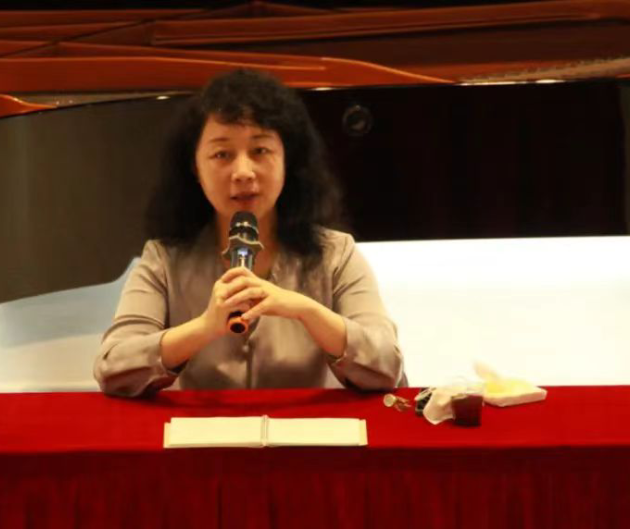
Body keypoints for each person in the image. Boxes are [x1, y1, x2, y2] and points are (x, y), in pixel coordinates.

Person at [94, 69, 404, 397]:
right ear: (196, 168)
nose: (243, 172)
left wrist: (306, 310)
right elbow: (113, 368)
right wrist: (204, 327)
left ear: (287, 160)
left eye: (260, 151)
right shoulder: (164, 259)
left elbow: (387, 365)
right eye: (222, 154)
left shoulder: (335, 254)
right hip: (203, 429)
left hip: (300, 429)